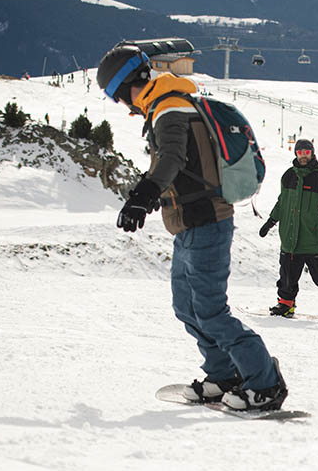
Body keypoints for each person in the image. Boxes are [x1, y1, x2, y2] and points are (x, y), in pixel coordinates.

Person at [96, 42, 287, 412]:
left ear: (125, 87)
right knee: (186, 306)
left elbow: (172, 157)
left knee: (211, 310)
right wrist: (148, 193)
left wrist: (143, 194)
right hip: (188, 225)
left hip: (207, 221)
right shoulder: (166, 104)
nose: (123, 106)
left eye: (118, 98)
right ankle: (224, 374)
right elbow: (179, 165)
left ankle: (264, 382)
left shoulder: (170, 106)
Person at [260, 138, 318, 324]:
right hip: (290, 240)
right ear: (295, 154)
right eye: (300, 152)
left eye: (306, 153)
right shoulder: (288, 177)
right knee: (286, 277)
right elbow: (282, 202)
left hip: (313, 240)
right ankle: (286, 305)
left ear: (312, 153)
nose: (303, 156)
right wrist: (270, 221)